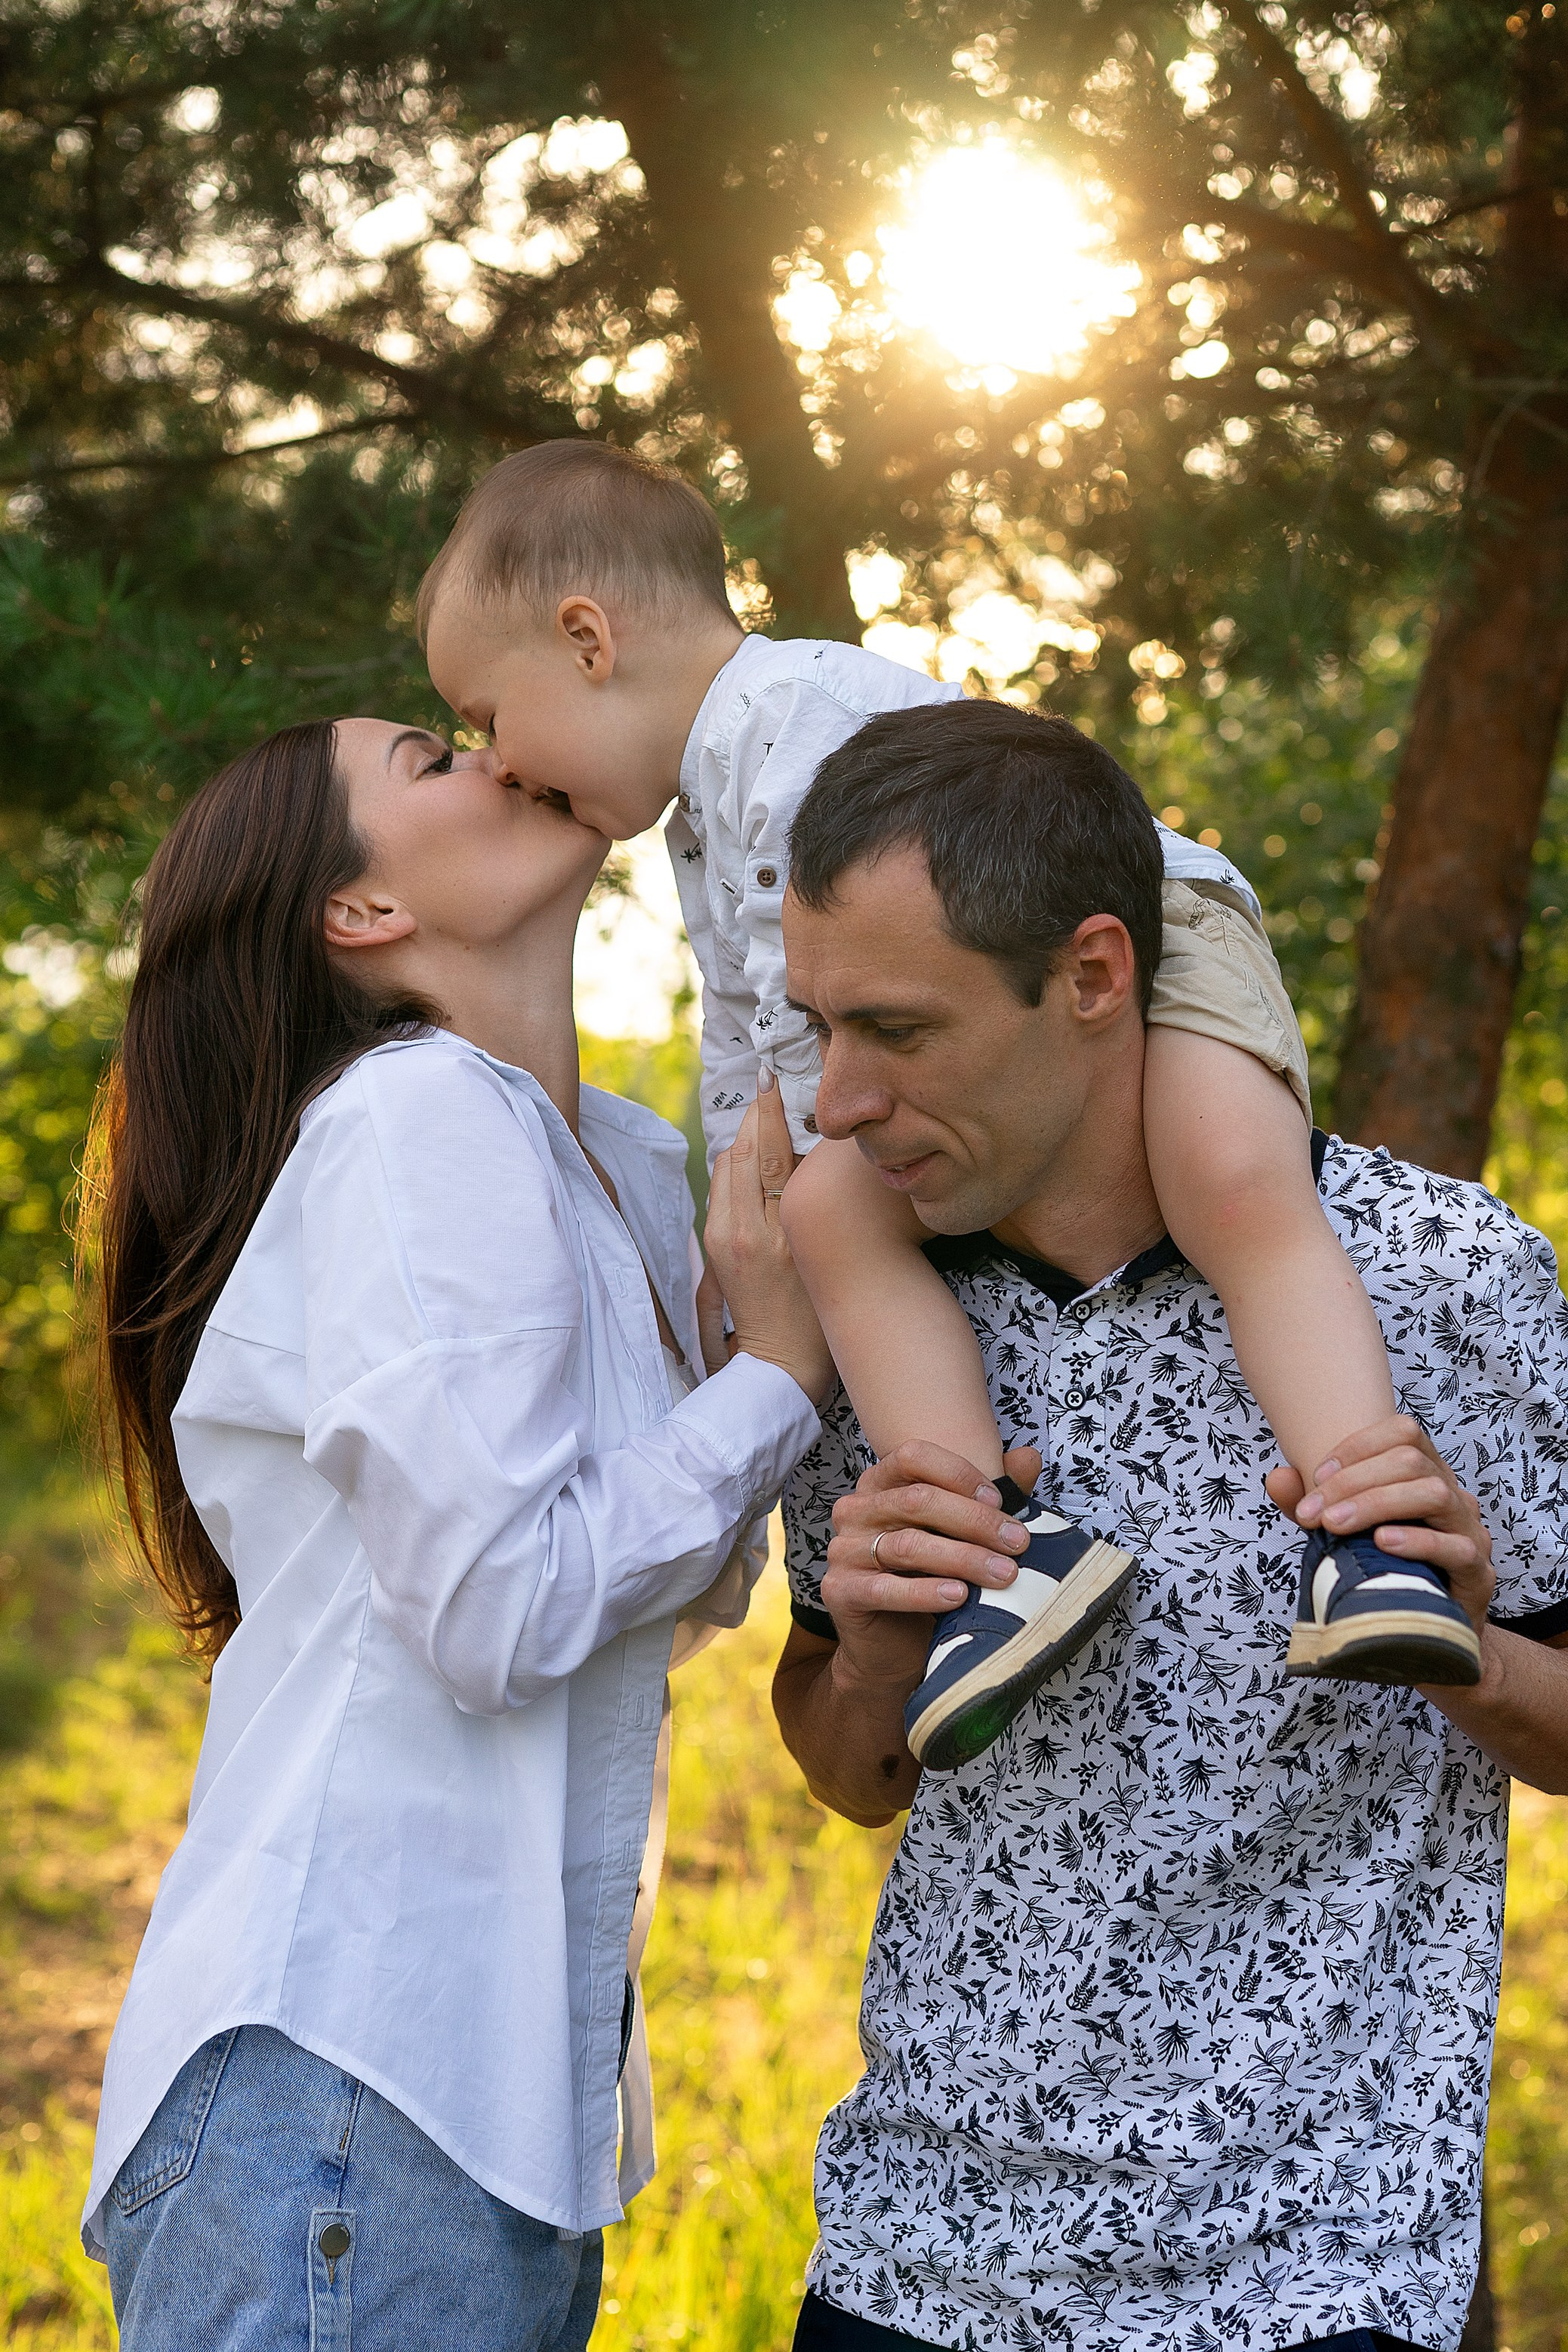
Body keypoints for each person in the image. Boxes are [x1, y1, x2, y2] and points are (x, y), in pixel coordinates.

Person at [417, 441, 1462, 1782]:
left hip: (1155, 924)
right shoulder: (701, 809)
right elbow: (759, 1030)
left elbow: (893, 955)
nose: (493, 764)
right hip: (974, 993)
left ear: (586, 639)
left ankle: (1369, 1532)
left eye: (488, 716)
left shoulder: (795, 719)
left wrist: (799, 1183)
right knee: (838, 1228)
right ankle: (990, 1561)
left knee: (1234, 1189)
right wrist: (748, 1238)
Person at [768, 699, 1568, 2352]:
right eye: (817, 1026)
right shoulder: (875, 1307)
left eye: (898, 1030)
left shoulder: (1444, 1277)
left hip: (1312, 2279)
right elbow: (850, 1769)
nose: (836, 1099)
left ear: (1093, 975)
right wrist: (875, 1656)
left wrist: (1468, 1651)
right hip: (916, 2261)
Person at [79, 714, 832, 2350]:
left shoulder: (614, 1161)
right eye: (432, 757)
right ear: (360, 913)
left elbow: (673, 1587)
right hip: (351, 2086)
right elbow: (505, 1611)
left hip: (486, 2104)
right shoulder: (412, 1124)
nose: (506, 751)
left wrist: (772, 1370)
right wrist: (777, 1374)